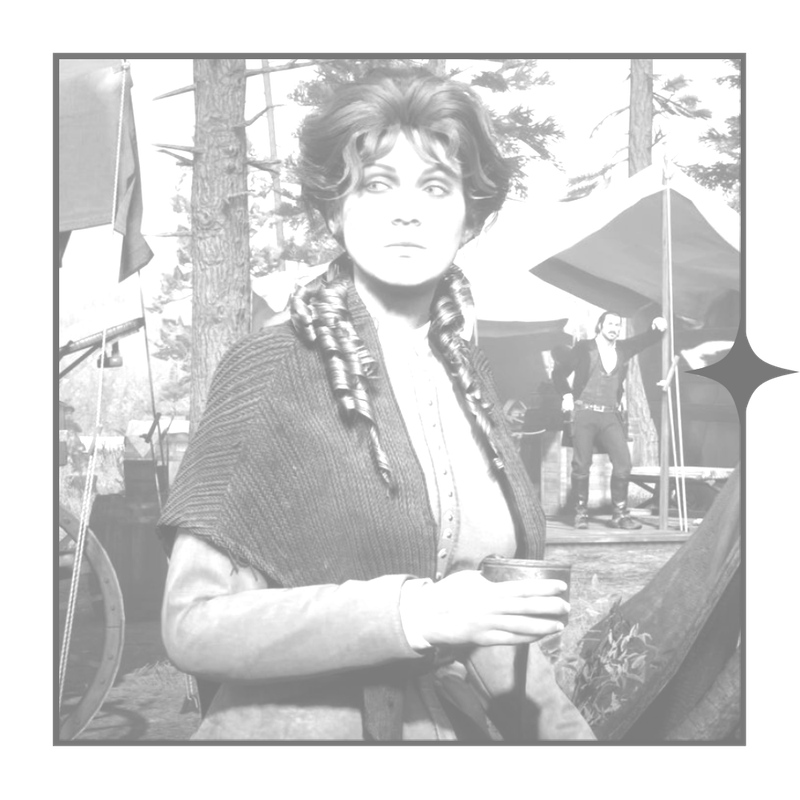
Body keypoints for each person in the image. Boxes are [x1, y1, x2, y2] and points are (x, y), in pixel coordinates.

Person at [158, 68, 594, 742]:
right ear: (334, 211)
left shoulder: (470, 381)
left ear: (470, 216)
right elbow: (191, 626)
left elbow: (492, 627)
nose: (407, 211)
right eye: (377, 184)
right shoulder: (269, 369)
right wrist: (415, 614)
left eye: (436, 187)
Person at [553, 311, 667, 530]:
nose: (614, 328)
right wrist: (566, 395)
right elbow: (558, 374)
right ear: (600, 326)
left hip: (610, 415)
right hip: (584, 413)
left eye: (617, 325)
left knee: (624, 464)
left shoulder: (623, 348)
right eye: (610, 324)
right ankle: (580, 513)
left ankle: (619, 515)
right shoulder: (584, 348)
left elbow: (645, 340)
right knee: (581, 465)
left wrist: (656, 325)